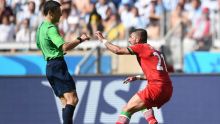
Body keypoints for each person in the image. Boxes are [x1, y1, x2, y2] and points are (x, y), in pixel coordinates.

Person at [95, 29, 173, 124]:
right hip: (167, 89)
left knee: (127, 109)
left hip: (156, 87)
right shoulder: (156, 52)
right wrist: (137, 77)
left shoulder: (141, 47)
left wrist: (103, 40)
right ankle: (152, 122)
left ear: (137, 39)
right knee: (144, 105)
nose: (129, 40)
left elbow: (117, 50)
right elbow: (158, 74)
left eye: (131, 37)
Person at [36, 1, 90, 124]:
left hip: (49, 67)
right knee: (73, 99)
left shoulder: (40, 28)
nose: (61, 15)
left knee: (65, 101)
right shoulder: (51, 28)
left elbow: (39, 45)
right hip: (58, 65)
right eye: (59, 13)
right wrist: (80, 39)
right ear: (50, 13)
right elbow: (64, 47)